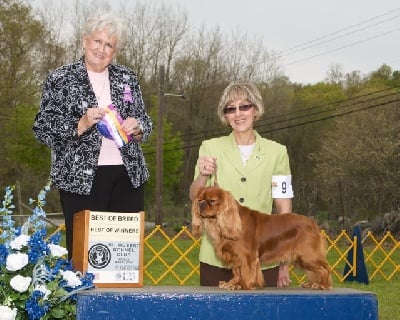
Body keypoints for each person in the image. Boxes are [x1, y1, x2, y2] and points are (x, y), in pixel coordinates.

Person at [32, 10, 152, 260]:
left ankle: (123, 298)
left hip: (128, 177)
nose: (102, 48)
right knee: (84, 255)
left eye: (109, 45)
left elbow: (145, 120)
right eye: (98, 41)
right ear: (85, 40)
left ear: (115, 51)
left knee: (124, 256)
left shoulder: (128, 78)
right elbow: (42, 127)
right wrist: (81, 123)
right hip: (80, 180)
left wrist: (138, 127)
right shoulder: (61, 78)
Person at [189, 80, 294, 287]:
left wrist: (284, 260)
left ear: (256, 110)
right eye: (231, 109)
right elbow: (194, 196)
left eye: (245, 106)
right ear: (225, 116)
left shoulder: (277, 152)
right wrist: (202, 175)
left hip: (263, 258)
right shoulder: (210, 147)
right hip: (216, 259)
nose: (238, 114)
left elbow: (284, 207)